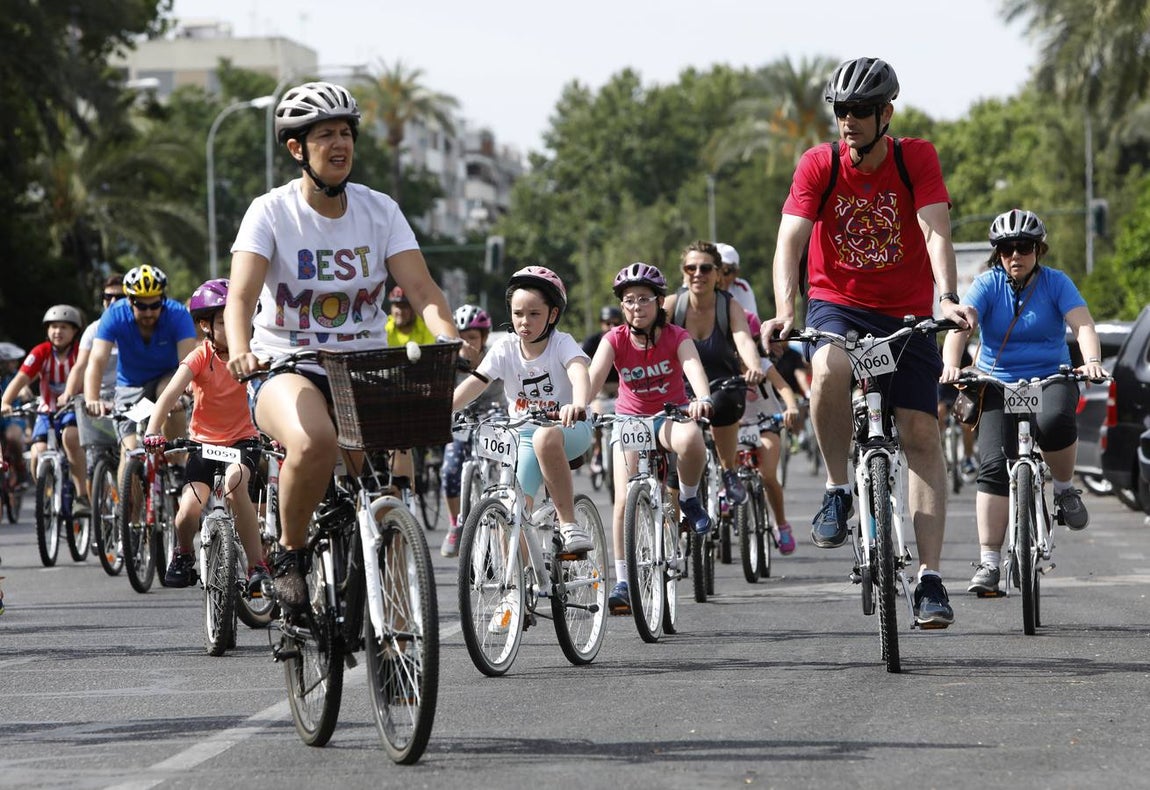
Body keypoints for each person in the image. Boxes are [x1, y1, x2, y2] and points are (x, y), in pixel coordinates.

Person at [224, 81, 458, 612]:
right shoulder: (270, 212)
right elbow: (239, 296)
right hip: (287, 364)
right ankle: (290, 554)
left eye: (346, 133)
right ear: (296, 148)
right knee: (313, 443)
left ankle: (399, 625)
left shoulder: (381, 211)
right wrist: (241, 349)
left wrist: (445, 333)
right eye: (325, 134)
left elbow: (422, 291)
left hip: (363, 367)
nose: (339, 143)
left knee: (382, 494)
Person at [760, 57, 976, 628]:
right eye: (840, 110)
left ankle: (930, 580)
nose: (847, 120)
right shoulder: (819, 164)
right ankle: (837, 488)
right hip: (838, 302)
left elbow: (934, 229)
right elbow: (789, 243)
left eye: (860, 111)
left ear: (886, 114)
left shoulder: (915, 158)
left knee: (922, 432)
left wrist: (947, 297)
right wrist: (785, 310)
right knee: (829, 369)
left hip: (905, 309)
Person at [941, 209, 1106, 595]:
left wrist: (1092, 361)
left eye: (1025, 247)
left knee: (1053, 423)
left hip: (1051, 376)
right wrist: (952, 365)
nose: (1016, 255)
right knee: (994, 466)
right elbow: (962, 326)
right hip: (996, 382)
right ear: (998, 254)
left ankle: (1064, 489)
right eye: (1007, 249)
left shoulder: (1056, 283)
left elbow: (1082, 325)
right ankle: (989, 563)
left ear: (1039, 250)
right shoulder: (986, 285)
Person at [587, 263, 714, 614]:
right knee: (624, 501)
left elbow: (693, 368)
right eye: (629, 300)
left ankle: (688, 499)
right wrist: (578, 405)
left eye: (644, 299)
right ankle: (625, 581)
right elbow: (593, 377)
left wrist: (702, 398)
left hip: (669, 415)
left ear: (659, 302)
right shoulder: (613, 339)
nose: (636, 307)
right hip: (629, 420)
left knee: (691, 440)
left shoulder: (676, 336)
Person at [451, 267, 593, 560]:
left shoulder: (561, 343)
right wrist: (441, 409)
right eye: (517, 314)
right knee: (512, 510)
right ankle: (517, 587)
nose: (523, 322)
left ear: (552, 315)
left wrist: (577, 403)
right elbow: (477, 382)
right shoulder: (505, 348)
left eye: (533, 314)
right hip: (524, 438)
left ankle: (568, 524)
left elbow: (580, 372)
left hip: (570, 429)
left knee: (545, 437)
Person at [142, 279, 271, 594]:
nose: (235, 324)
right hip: (204, 445)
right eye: (223, 319)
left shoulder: (255, 353)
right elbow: (170, 393)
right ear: (205, 326)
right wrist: (152, 431)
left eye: (238, 317)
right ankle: (184, 554)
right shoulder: (201, 356)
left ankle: (257, 566)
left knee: (235, 483)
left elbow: (272, 391)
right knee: (187, 512)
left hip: (244, 441)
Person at [665, 241, 766, 506]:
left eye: (705, 268)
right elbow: (648, 339)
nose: (698, 273)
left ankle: (728, 471)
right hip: (681, 390)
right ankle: (674, 541)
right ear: (683, 272)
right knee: (673, 481)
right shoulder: (673, 305)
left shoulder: (728, 305)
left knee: (724, 402)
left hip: (723, 384)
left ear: (718, 273)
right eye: (691, 267)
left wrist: (754, 366)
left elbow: (743, 339)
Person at [82, 265, 198, 479]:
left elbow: (188, 363)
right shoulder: (114, 315)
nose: (148, 312)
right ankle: (127, 511)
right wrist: (92, 399)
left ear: (162, 299)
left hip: (166, 377)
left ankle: (176, 464)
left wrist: (182, 395)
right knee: (130, 454)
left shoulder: (177, 314)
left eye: (154, 305)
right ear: (129, 300)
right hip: (130, 385)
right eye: (140, 305)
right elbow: (96, 361)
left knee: (171, 397)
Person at [1, 306, 89, 514]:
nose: (57, 331)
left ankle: (81, 495)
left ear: (75, 330)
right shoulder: (40, 352)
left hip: (73, 409)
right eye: (53, 327)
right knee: (37, 452)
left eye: (63, 327)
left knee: (71, 437)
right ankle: (46, 492)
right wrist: (5, 402)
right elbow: (21, 378)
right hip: (46, 412)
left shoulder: (80, 352)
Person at [440, 303, 499, 557]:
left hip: (493, 415)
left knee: (501, 462)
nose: (467, 343)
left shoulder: (496, 356)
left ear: (484, 338)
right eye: (462, 337)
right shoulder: (449, 362)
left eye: (472, 337)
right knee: (450, 469)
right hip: (462, 420)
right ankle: (455, 524)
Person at [63, 274, 124, 498]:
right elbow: (81, 367)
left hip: (126, 399)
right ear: (103, 301)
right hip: (97, 400)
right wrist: (69, 393)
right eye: (109, 297)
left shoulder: (133, 328)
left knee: (132, 458)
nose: (114, 302)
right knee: (94, 459)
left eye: (120, 296)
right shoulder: (93, 329)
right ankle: (92, 510)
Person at [581, 305, 624, 474]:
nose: (611, 327)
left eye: (615, 323)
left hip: (623, 388)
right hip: (601, 388)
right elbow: (580, 363)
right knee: (597, 414)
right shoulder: (593, 342)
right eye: (607, 323)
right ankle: (598, 450)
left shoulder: (628, 338)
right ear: (601, 324)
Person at [715, 243, 758, 316]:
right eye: (716, 270)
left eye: (726, 271)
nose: (720, 277)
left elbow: (751, 322)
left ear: (736, 273)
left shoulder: (742, 288)